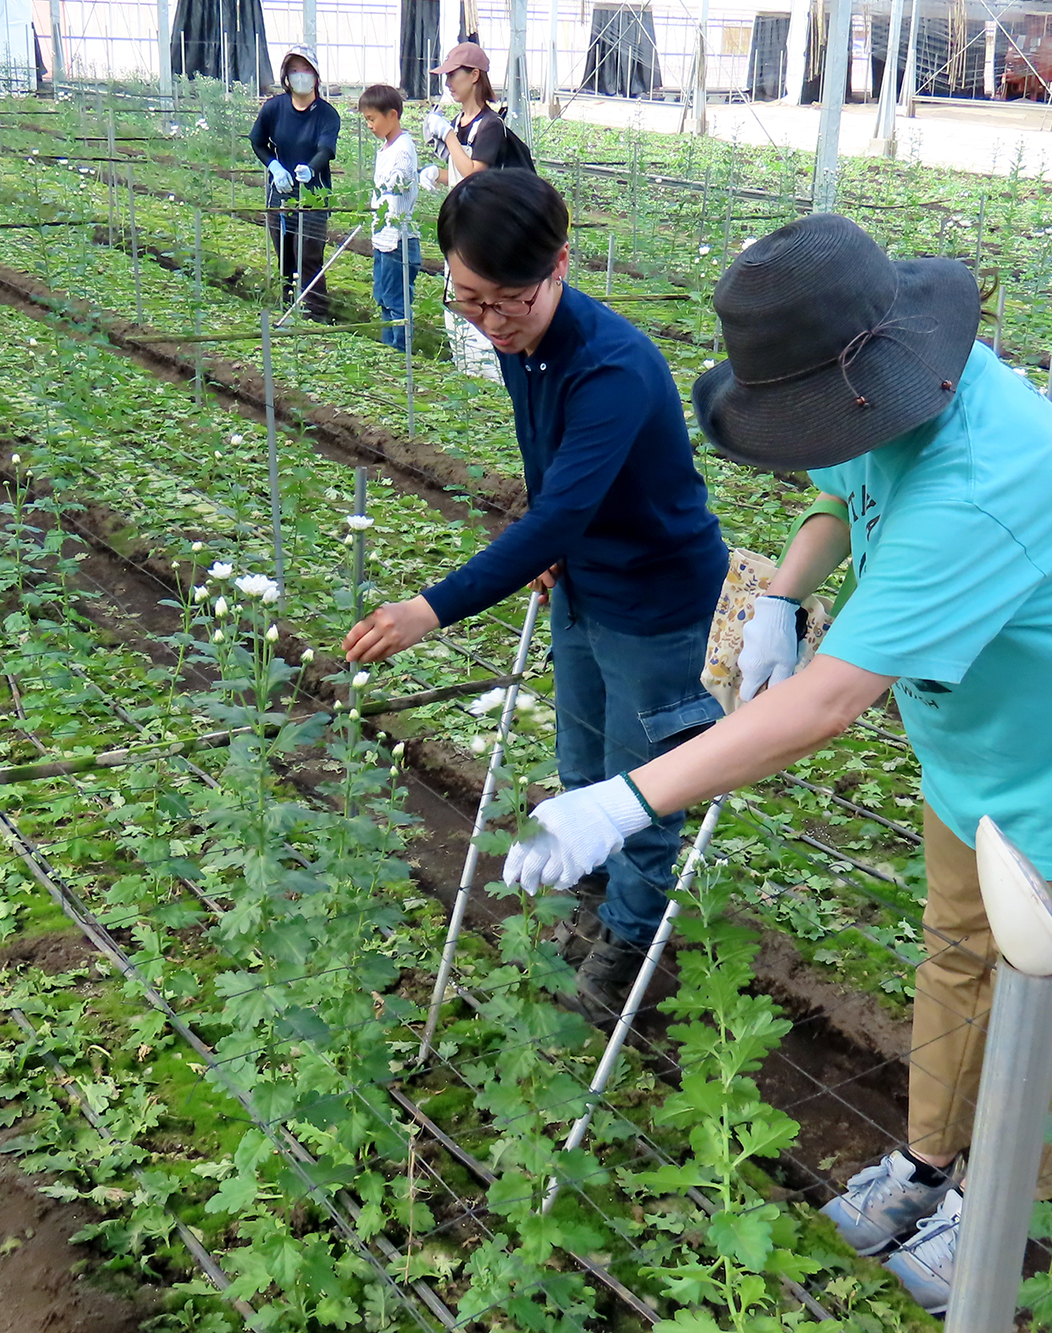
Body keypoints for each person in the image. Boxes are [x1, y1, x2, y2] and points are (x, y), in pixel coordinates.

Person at [495, 214, 1052, 1313]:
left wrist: (623, 798)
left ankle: (1000, 1201)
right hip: (980, 734)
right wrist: (783, 594)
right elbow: (841, 492)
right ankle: (927, 1163)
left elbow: (830, 699)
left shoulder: (980, 480)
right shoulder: (891, 387)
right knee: (956, 949)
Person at [341, 170, 729, 1018]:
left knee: (641, 779)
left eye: (504, 301)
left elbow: (557, 508)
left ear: (559, 264)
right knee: (580, 761)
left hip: (655, 598)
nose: (486, 321)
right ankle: (585, 903)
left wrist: (429, 608)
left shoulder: (613, 366)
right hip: (584, 580)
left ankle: (632, 943)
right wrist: (557, 541)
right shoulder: (526, 344)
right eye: (466, 299)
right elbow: (549, 475)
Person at [418, 40, 527, 382]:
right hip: (462, 222)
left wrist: (449, 137)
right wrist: (437, 173)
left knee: (480, 299)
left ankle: (492, 376)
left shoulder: (489, 125)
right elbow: (460, 173)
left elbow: (477, 172)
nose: (448, 82)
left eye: (453, 75)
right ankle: (468, 370)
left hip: (484, 229)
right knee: (457, 298)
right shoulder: (459, 121)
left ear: (475, 75)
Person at [249, 45, 341, 322]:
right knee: (286, 253)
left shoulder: (326, 114)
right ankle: (289, 305)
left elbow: (325, 149)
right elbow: (257, 141)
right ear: (286, 76)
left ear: (316, 75)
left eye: (305, 70)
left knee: (309, 255)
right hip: (281, 193)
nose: (300, 76)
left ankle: (315, 311)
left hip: (313, 195)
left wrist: (311, 170)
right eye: (294, 70)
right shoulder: (274, 108)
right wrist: (274, 167)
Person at [358, 84, 422, 351]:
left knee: (397, 301)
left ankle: (400, 354)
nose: (369, 125)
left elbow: (401, 180)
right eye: (367, 120)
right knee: (383, 296)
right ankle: (388, 349)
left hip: (399, 240)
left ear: (393, 115)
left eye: (372, 119)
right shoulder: (386, 146)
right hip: (383, 237)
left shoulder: (403, 149)